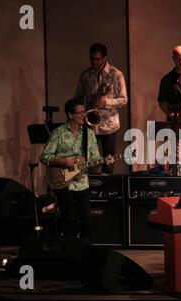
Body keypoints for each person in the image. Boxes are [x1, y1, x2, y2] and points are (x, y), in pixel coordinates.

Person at [40, 98, 101, 238]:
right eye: (80, 113)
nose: (84, 116)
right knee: (69, 219)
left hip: (82, 183)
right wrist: (62, 161)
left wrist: (104, 160)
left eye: (84, 112)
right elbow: (44, 157)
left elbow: (95, 158)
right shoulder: (58, 133)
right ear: (70, 115)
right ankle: (69, 250)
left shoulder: (89, 133)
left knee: (86, 219)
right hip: (63, 182)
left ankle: (86, 251)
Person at [75, 42, 128, 174]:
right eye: (92, 59)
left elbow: (124, 99)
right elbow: (78, 96)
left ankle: (107, 190)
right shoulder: (85, 75)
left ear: (104, 58)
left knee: (108, 160)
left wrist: (107, 102)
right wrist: (84, 106)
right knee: (87, 158)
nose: (94, 62)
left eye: (98, 59)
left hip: (109, 125)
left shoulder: (116, 74)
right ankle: (90, 187)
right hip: (90, 124)